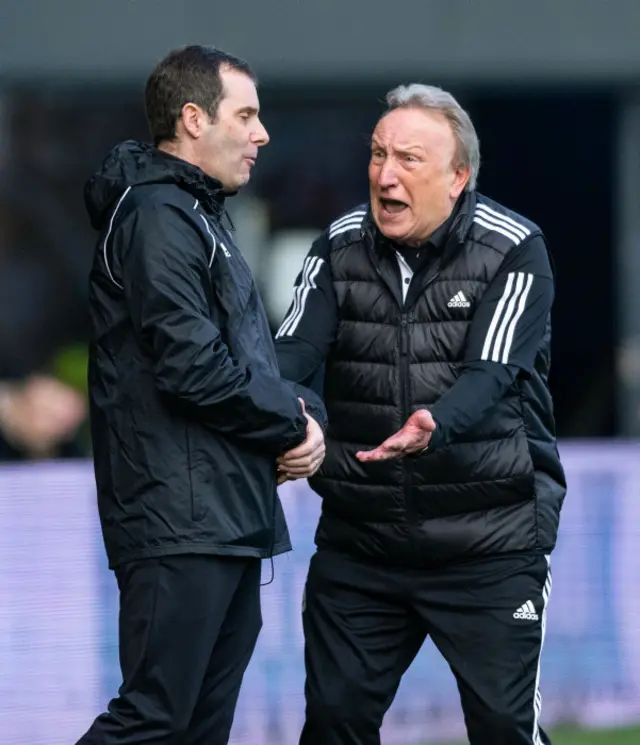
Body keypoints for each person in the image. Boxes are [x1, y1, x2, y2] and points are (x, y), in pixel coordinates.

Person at [275, 83, 566, 745]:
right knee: (334, 722)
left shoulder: (516, 247)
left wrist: (439, 420)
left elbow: (491, 374)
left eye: (408, 159)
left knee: (502, 727)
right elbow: (291, 352)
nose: (384, 175)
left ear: (459, 176)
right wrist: (275, 411)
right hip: (362, 544)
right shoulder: (336, 244)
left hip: (488, 543)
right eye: (378, 155)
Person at [76, 45, 326, 745]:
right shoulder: (159, 216)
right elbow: (193, 369)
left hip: (218, 513)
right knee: (155, 718)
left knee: (194, 728)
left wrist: (303, 418)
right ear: (193, 119)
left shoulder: (193, 213)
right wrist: (291, 421)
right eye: (245, 115)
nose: (262, 133)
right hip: (179, 517)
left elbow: (239, 362)